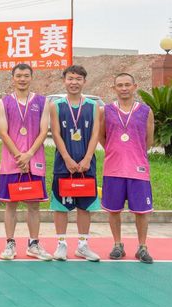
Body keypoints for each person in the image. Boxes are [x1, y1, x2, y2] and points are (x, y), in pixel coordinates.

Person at [0, 63, 53, 261]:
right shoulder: (3, 102)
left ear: (31, 78)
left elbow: (44, 131)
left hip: (34, 161)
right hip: (11, 162)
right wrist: (19, 156)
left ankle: (34, 244)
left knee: (34, 205)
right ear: (13, 78)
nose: (22, 79)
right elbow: (3, 132)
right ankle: (10, 243)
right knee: (10, 205)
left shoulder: (42, 101)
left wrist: (29, 154)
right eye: (18, 75)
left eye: (26, 75)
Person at [99, 73, 155, 263]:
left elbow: (149, 140)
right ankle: (117, 245)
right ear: (114, 88)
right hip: (113, 169)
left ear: (134, 86)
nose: (124, 88)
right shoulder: (106, 110)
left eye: (127, 85)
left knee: (142, 211)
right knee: (113, 210)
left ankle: (142, 247)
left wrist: (134, 153)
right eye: (120, 85)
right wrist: (114, 150)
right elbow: (101, 136)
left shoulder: (146, 111)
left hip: (138, 169)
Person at [49, 65, 101, 262]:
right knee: (61, 206)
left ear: (84, 82)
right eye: (70, 78)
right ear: (64, 81)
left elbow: (95, 133)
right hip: (64, 164)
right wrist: (67, 158)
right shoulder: (56, 105)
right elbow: (56, 134)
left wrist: (87, 158)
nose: (74, 82)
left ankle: (83, 245)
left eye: (78, 79)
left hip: (87, 164)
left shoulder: (93, 106)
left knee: (84, 207)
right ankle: (61, 244)